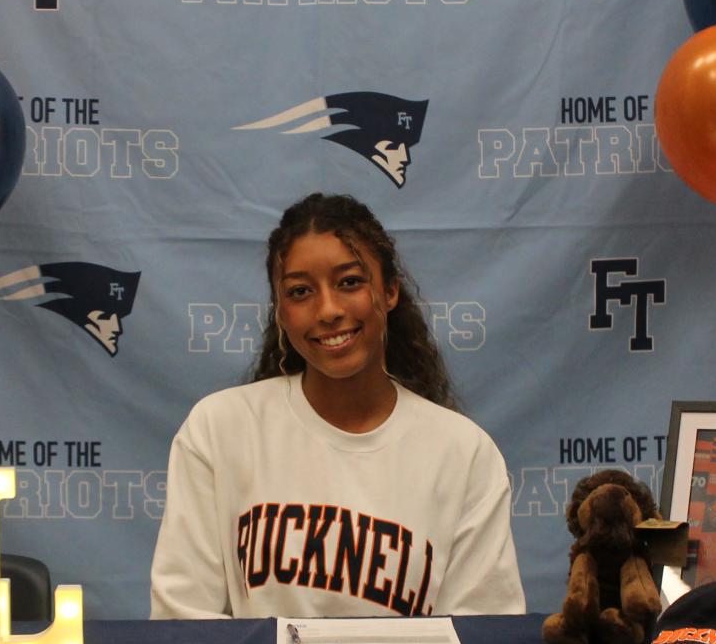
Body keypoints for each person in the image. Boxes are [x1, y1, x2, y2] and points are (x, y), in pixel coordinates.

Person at [150, 193, 525, 619]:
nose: (327, 310)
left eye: (349, 282)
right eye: (300, 291)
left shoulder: (464, 453)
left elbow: (480, 639)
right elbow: (182, 619)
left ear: (389, 291)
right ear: (281, 314)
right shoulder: (219, 429)